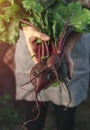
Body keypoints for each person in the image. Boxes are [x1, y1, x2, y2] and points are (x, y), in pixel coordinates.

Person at [14, 0, 90, 130]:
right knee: (32, 117)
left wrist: (68, 46)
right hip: (32, 46)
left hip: (72, 42)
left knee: (65, 119)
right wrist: (27, 28)